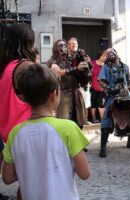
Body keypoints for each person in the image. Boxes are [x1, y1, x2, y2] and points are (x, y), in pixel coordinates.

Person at [2, 64, 90, 200]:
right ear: (54, 95)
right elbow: (84, 173)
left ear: (24, 97)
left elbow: (7, 178)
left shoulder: (15, 133)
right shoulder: (68, 128)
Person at [0, 24, 36, 199]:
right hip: (26, 130)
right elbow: (43, 92)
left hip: (9, 130)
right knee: (29, 184)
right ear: (27, 42)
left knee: (25, 181)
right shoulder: (25, 66)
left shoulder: (7, 66)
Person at [98, 48, 130, 158]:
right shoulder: (106, 67)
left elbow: (129, 82)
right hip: (112, 97)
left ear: (116, 53)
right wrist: (110, 89)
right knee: (106, 119)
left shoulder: (125, 67)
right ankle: (103, 147)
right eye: (107, 53)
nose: (110, 54)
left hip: (125, 96)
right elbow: (101, 82)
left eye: (112, 52)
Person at [48, 39, 88, 129]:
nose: (64, 47)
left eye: (65, 45)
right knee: (64, 123)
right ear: (55, 48)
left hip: (75, 94)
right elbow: (58, 72)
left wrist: (87, 65)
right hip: (62, 94)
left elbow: (84, 74)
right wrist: (76, 68)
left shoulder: (71, 60)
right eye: (61, 46)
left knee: (78, 123)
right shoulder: (52, 61)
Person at [67, 37, 93, 125]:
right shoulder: (66, 56)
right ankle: (75, 120)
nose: (74, 45)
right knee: (74, 104)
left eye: (76, 44)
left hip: (83, 83)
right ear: (68, 45)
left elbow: (91, 69)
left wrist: (89, 62)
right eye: (72, 44)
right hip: (72, 83)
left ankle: (84, 119)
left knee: (85, 102)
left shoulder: (82, 55)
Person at [90, 50, 107, 123]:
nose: (105, 57)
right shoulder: (92, 63)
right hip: (93, 86)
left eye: (106, 56)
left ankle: (102, 119)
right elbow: (89, 73)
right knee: (92, 103)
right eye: (103, 56)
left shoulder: (106, 65)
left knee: (101, 104)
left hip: (102, 88)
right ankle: (93, 118)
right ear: (99, 55)